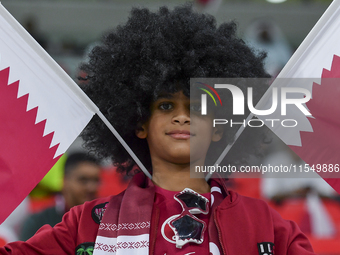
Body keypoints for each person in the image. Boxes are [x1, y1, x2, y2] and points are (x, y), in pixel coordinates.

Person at [1, 4, 315, 254]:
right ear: (139, 123)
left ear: (219, 127)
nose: (182, 117)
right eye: (166, 106)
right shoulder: (86, 223)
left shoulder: (268, 225)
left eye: (196, 108)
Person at [19, 152, 101, 241]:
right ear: (65, 181)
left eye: (96, 180)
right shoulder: (38, 222)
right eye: (83, 180)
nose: (92, 188)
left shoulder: (106, 222)